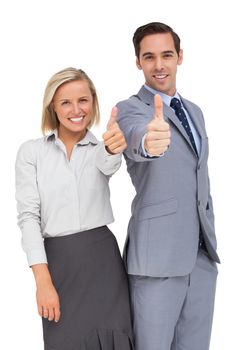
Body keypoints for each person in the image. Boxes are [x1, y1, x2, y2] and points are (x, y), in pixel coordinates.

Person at [116, 22, 220, 350]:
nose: (159, 65)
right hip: (157, 260)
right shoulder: (131, 110)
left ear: (179, 57)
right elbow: (137, 139)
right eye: (149, 57)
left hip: (201, 257)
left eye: (166, 55)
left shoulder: (195, 112)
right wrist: (150, 141)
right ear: (138, 62)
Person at [15, 67, 133, 350]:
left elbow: (108, 163)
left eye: (83, 100)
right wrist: (43, 282)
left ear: (93, 102)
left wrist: (113, 149)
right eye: (65, 102)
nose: (76, 109)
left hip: (103, 262)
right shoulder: (32, 153)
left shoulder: (101, 149)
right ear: (52, 108)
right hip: (59, 265)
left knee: (113, 340)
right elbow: (29, 217)